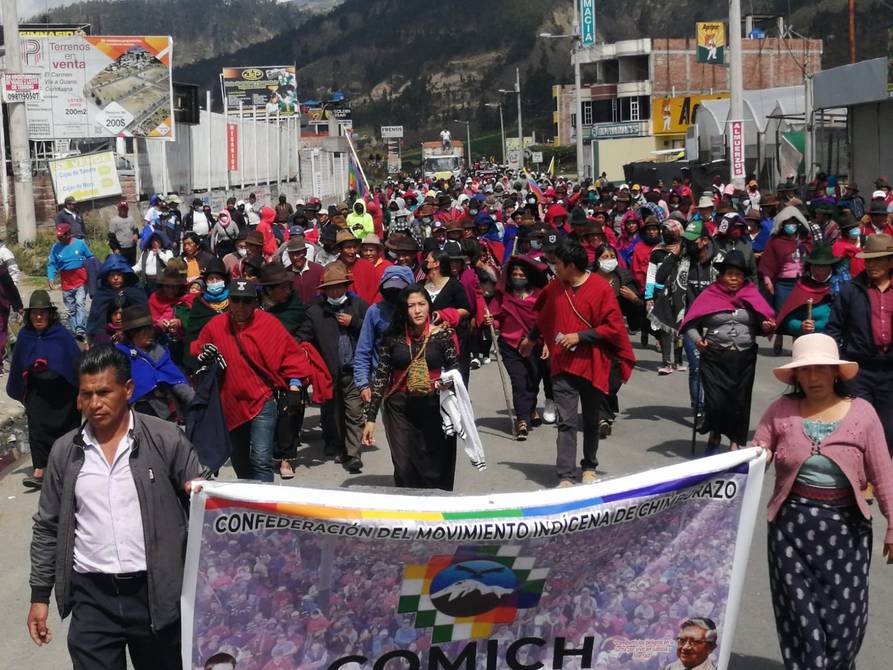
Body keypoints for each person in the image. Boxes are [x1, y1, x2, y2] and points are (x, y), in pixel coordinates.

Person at [27, 345, 204, 669]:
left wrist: (198, 493)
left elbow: (207, 505)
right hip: (92, 598)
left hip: (156, 595)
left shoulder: (165, 439)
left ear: (128, 389)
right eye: (86, 394)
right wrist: (40, 595)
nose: (94, 404)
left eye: (104, 392)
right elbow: (48, 526)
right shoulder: (66, 452)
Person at [752, 333, 893, 670]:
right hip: (790, 531)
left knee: (845, 623)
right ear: (796, 376)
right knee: (801, 619)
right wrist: (754, 455)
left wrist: (892, 525)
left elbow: (883, 473)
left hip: (847, 532)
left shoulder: (863, 413)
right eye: (806, 370)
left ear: (835, 373)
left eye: (821, 369)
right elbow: (760, 448)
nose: (813, 377)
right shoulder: (781, 410)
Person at [521, 240, 635, 487]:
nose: (555, 267)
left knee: (591, 420)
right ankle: (565, 475)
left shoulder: (601, 289)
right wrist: (530, 340)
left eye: (558, 264)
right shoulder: (555, 288)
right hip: (562, 366)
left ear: (571, 266)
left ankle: (589, 466)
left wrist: (580, 336)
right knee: (566, 421)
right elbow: (543, 317)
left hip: (593, 364)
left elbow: (613, 328)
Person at [191, 279, 316, 482]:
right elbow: (197, 346)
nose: (240, 306)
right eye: (236, 300)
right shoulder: (216, 325)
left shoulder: (269, 324)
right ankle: (248, 503)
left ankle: (264, 507)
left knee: (260, 459)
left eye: (246, 301)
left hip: (262, 400)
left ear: (255, 302)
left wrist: (295, 386)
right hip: (230, 404)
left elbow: (292, 355)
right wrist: (203, 352)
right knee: (240, 461)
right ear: (228, 302)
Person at [362, 284, 459, 490]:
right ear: (404, 310)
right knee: (404, 466)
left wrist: (446, 383)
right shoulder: (392, 338)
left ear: (429, 307)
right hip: (400, 408)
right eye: (411, 305)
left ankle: (434, 514)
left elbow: (455, 372)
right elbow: (380, 377)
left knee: (434, 466)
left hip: (435, 407)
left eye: (422, 304)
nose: (417, 310)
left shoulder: (442, 336)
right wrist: (370, 419)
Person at [681, 250, 776, 453]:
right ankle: (715, 431)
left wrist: (767, 326)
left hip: (744, 357)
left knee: (739, 402)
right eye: (730, 274)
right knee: (716, 402)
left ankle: (735, 443)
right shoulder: (709, 295)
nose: (734, 278)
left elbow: (763, 321)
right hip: (715, 357)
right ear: (721, 276)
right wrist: (698, 341)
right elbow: (689, 325)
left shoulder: (751, 295)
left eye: (739, 275)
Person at [826, 233, 893, 453]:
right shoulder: (850, 290)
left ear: (890, 261)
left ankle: (880, 480)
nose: (872, 265)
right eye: (869, 260)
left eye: (878, 259)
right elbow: (833, 329)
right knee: (857, 428)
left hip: (889, 370)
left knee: (887, 432)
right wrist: (837, 366)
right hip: (858, 369)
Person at [6, 291, 80, 489]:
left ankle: (68, 468)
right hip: (37, 392)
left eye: (43, 313)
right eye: (35, 313)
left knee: (67, 430)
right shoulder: (25, 336)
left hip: (63, 394)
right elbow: (19, 365)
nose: (39, 317)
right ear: (30, 316)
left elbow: (74, 363)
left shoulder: (61, 335)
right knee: (37, 428)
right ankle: (40, 470)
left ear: (50, 314)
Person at [299, 265, 368, 471]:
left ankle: (353, 453)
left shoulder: (358, 305)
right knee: (332, 413)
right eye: (331, 288)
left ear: (346, 286)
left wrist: (354, 322)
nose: (335, 292)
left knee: (355, 412)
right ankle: (335, 443)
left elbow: (375, 330)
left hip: (355, 370)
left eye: (339, 287)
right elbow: (304, 336)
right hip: (328, 373)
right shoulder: (315, 311)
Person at [486, 256, 550, 440]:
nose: (518, 277)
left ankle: (530, 409)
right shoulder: (503, 296)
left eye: (522, 274)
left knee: (532, 380)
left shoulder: (539, 295)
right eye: (514, 274)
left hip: (535, 345)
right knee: (519, 380)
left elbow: (548, 321)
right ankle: (522, 420)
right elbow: (496, 318)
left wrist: (546, 342)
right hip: (510, 345)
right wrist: (492, 321)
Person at [592, 244, 640, 437]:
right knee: (596, 374)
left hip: (617, 334)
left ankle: (608, 402)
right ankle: (601, 418)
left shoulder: (624, 280)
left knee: (614, 378)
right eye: (605, 256)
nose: (609, 259)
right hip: (593, 333)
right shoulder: (588, 280)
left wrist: (633, 298)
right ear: (597, 260)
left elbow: (639, 310)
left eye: (612, 256)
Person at [115, 304, 194, 420]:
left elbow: (176, 379)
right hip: (136, 414)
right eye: (146, 330)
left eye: (151, 328)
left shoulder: (159, 351)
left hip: (167, 411)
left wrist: (194, 400)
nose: (151, 333)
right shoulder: (119, 356)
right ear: (133, 332)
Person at [354, 265, 416, 406]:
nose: (394, 292)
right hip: (384, 383)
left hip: (416, 381)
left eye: (399, 289)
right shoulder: (375, 311)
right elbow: (363, 350)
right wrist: (363, 383)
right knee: (394, 428)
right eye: (390, 288)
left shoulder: (418, 310)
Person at [759, 206, 809, 355]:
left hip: (800, 282)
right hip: (783, 282)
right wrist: (767, 280)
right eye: (787, 223)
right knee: (781, 312)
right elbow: (767, 262)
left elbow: (812, 259)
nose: (791, 226)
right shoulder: (775, 242)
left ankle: (796, 341)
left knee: (798, 312)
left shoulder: (804, 241)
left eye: (793, 223)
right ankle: (779, 336)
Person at [423, 248, 471, 383]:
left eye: (428, 259)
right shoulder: (423, 286)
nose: (425, 261)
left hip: (453, 338)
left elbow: (466, 309)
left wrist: (445, 314)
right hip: (429, 340)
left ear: (436, 263)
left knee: (454, 378)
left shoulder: (454, 285)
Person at [776, 245, 839, 338]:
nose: (821, 270)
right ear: (809, 267)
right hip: (809, 343)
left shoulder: (842, 287)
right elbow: (788, 320)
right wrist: (801, 326)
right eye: (817, 266)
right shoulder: (801, 288)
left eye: (825, 266)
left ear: (831, 267)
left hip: (836, 343)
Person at [47, 223, 93, 341]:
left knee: (80, 303)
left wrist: (93, 274)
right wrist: (51, 278)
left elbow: (90, 258)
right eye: (58, 236)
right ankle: (74, 332)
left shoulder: (80, 244)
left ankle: (80, 329)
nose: (59, 238)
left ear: (68, 234)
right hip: (67, 283)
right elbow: (52, 264)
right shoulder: (55, 248)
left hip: (81, 281)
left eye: (61, 236)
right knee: (70, 309)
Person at [183, 258, 232, 371]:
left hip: (230, 353)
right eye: (210, 279)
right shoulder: (199, 303)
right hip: (205, 357)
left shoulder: (234, 301)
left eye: (218, 278)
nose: (214, 282)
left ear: (224, 280)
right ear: (205, 282)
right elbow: (192, 334)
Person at [86, 255, 148, 344]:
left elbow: (143, 313)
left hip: (133, 334)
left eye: (118, 274)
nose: (115, 278)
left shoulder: (135, 290)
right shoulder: (102, 294)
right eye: (112, 275)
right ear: (106, 277)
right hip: (107, 336)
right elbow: (95, 317)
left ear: (125, 275)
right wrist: (89, 339)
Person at [148, 266, 196, 365]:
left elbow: (195, 322)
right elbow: (148, 323)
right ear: (162, 286)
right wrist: (158, 325)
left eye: (174, 287)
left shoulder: (188, 299)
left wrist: (180, 323)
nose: (171, 290)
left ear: (180, 286)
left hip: (184, 345)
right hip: (159, 345)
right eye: (167, 286)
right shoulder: (154, 299)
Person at [330, 229, 379, 305]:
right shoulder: (331, 270)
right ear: (339, 249)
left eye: (354, 247)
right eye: (348, 247)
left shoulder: (367, 267)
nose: (352, 251)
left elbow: (377, 293)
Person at [286, 236, 325, 305]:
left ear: (305, 252)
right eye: (292, 254)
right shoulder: (286, 274)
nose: (295, 258)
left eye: (298, 253)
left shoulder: (318, 270)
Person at [0, 259, 22, 371]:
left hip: (1, 309)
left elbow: (10, 288)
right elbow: (11, 288)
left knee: (2, 332)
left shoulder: (2, 271)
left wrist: (18, 306)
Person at [108, 199, 137, 266]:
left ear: (127, 209)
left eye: (125, 208)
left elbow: (135, 230)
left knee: (132, 266)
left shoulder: (131, 219)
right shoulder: (114, 221)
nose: (123, 210)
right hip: (121, 250)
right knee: (122, 267)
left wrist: (136, 234)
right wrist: (115, 249)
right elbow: (111, 237)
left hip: (132, 249)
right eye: (122, 208)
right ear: (119, 209)